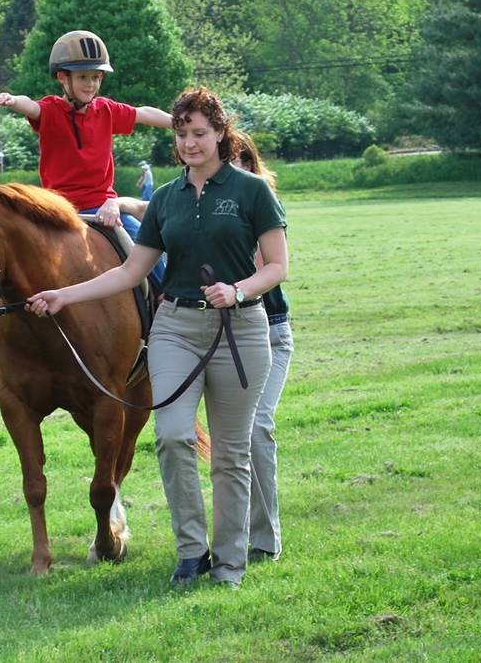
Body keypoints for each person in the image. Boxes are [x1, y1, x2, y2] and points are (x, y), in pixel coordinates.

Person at [27, 87, 288, 588]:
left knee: (231, 454)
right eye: (182, 134)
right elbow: (130, 272)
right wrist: (65, 295)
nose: (190, 144)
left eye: (200, 134)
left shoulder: (252, 192)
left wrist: (237, 290)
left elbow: (278, 265)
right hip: (175, 329)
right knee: (172, 436)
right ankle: (192, 552)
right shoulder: (165, 198)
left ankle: (230, 561)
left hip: (241, 329)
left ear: (219, 134)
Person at [0, 30, 171, 278]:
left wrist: (180, 123)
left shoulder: (106, 110)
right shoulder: (51, 110)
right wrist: (12, 100)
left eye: (96, 77)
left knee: (147, 248)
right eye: (83, 77)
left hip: (104, 210)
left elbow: (144, 113)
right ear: (63, 78)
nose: (91, 84)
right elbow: (30, 106)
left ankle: (164, 302)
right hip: (58, 211)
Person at [233, 131, 293, 564]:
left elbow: (267, 268)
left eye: (240, 163)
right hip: (219, 336)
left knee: (256, 429)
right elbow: (149, 209)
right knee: (230, 439)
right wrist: (118, 203)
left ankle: (265, 539)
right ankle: (228, 536)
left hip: (269, 331)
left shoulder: (262, 207)